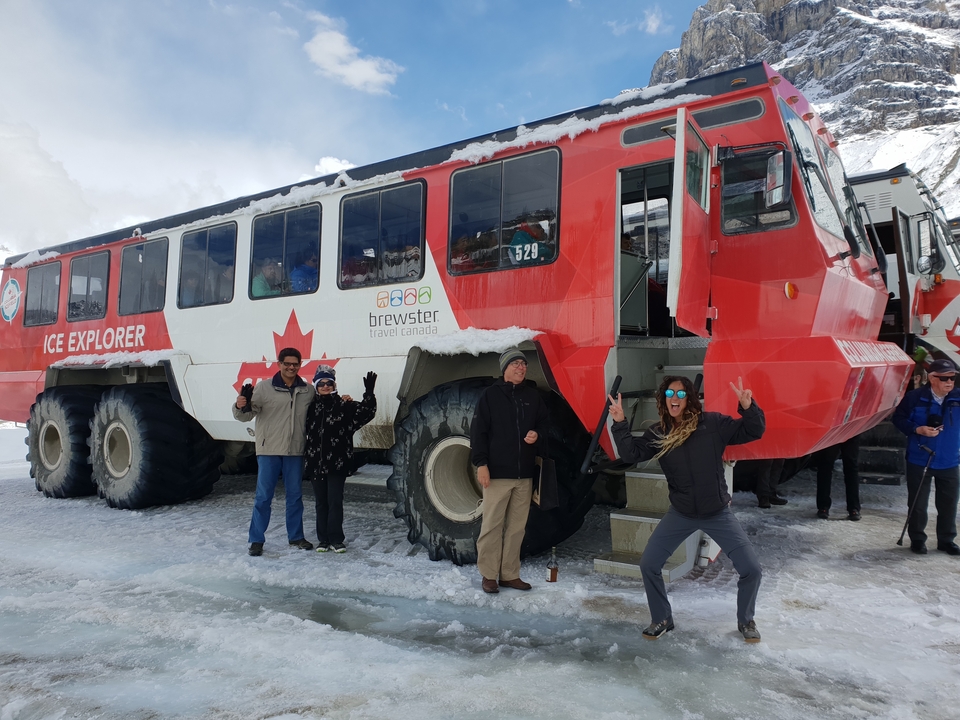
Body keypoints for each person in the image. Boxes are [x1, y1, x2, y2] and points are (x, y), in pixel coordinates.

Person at [608, 375, 766, 643]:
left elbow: (753, 431)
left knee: (751, 568)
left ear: (690, 399)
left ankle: (746, 620)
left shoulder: (713, 424)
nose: (675, 399)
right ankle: (662, 618)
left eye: (681, 394)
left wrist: (748, 407)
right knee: (649, 564)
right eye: (670, 394)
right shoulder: (660, 434)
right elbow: (632, 454)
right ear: (663, 400)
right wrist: (620, 423)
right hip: (680, 513)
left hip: (717, 512)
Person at [470, 348, 549, 594]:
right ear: (504, 369)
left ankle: (509, 574)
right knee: (492, 525)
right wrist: (481, 464)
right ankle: (489, 575)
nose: (521, 368)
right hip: (496, 474)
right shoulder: (489, 396)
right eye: (515, 364)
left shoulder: (533, 397)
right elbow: (478, 432)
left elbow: (544, 425)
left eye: (523, 364)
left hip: (524, 474)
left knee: (517, 527)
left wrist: (537, 434)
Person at [233, 347, 315, 556]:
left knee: (295, 496)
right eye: (287, 363)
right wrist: (239, 405)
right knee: (263, 497)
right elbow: (245, 415)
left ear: (300, 365)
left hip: (295, 450)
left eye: (295, 364)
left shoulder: (307, 390)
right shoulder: (263, 388)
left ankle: (296, 537)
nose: (291, 367)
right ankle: (256, 540)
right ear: (279, 364)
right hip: (269, 449)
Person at [303, 365, 377, 553]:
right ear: (316, 386)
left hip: (337, 463)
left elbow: (366, 413)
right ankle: (323, 540)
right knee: (321, 502)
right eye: (321, 383)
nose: (326, 386)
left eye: (329, 383)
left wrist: (369, 393)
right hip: (315, 464)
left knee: (335, 501)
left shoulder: (345, 406)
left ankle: (336, 539)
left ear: (334, 385)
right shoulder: (310, 408)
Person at [891, 358, 960, 556]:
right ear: (931, 378)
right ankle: (918, 539)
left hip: (949, 460)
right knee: (918, 504)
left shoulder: (957, 397)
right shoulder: (914, 397)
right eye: (944, 378)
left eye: (952, 378)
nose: (949, 382)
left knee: (949, 503)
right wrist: (917, 429)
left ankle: (947, 540)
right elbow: (898, 418)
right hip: (920, 458)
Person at [814, 436, 861, 521]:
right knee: (825, 465)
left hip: (849, 428)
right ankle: (823, 507)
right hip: (833, 428)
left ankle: (853, 508)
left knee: (850, 465)